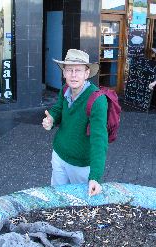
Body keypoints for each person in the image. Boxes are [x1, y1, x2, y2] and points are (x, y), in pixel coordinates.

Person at [42, 49, 108, 196]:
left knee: (80, 206)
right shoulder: (65, 89)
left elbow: (99, 140)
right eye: (69, 70)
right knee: (57, 198)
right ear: (64, 73)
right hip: (59, 154)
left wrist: (95, 177)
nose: (73, 75)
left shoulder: (97, 100)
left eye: (78, 70)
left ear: (86, 73)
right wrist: (51, 119)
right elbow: (58, 109)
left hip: (81, 165)